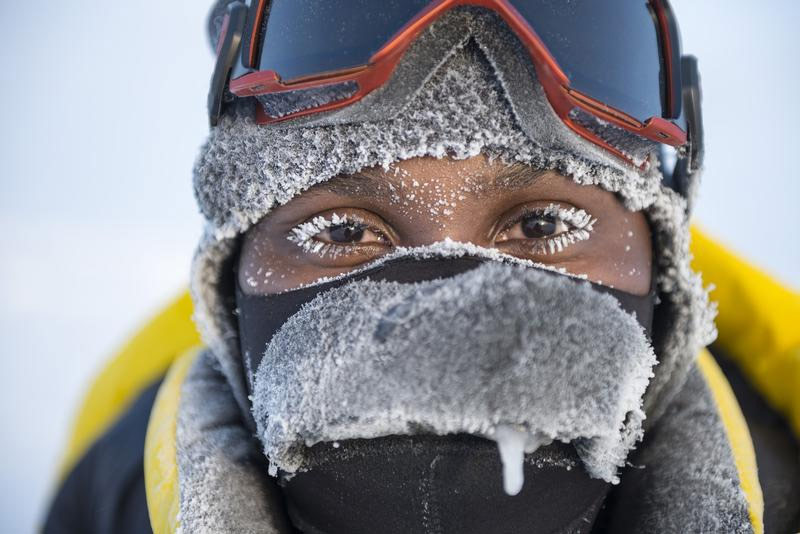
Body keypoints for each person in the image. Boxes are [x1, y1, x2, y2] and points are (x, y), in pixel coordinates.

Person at [44, 1, 800, 533]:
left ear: (666, 289)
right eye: (342, 229)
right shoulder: (103, 510)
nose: (447, 308)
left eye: (545, 225)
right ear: (229, 295)